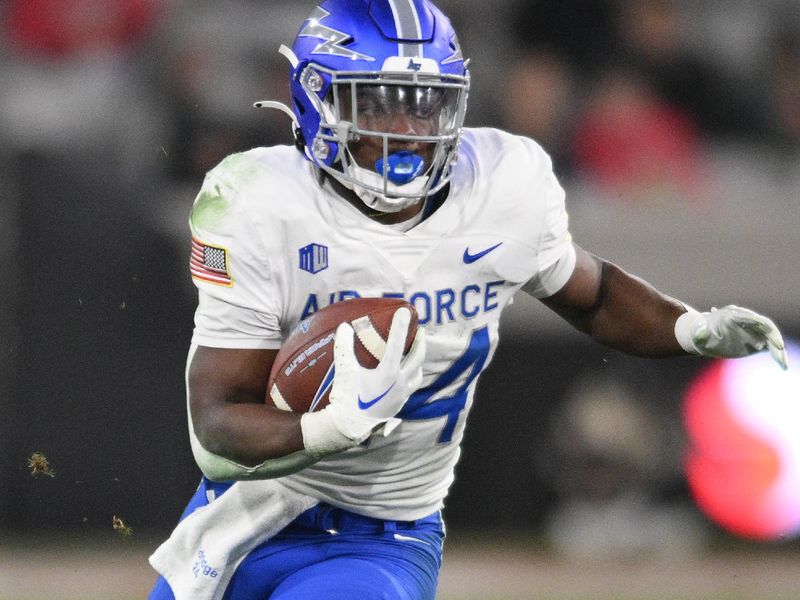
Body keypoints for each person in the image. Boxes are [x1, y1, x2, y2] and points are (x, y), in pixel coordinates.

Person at [148, 1, 788, 598]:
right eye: (380, 105)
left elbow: (590, 295)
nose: (408, 131)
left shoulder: (502, 184)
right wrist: (323, 430)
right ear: (317, 100)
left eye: (426, 107)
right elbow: (214, 433)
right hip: (242, 513)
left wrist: (689, 330)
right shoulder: (259, 201)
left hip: (383, 537)